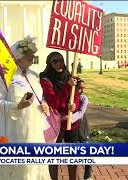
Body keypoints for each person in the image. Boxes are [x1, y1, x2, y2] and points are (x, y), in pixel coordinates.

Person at [0, 36, 50, 180]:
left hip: (35, 130)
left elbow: (39, 98)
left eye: (33, 57)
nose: (32, 60)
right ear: (19, 57)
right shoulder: (4, 77)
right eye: (29, 57)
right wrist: (17, 106)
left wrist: (44, 106)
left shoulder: (34, 75)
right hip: (16, 131)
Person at [39, 52, 79, 180]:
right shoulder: (46, 80)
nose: (58, 64)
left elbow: (76, 96)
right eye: (54, 62)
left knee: (73, 155)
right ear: (49, 64)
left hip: (71, 122)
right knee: (54, 155)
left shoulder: (70, 76)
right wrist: (68, 86)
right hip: (55, 123)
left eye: (60, 60)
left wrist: (74, 107)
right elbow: (54, 102)